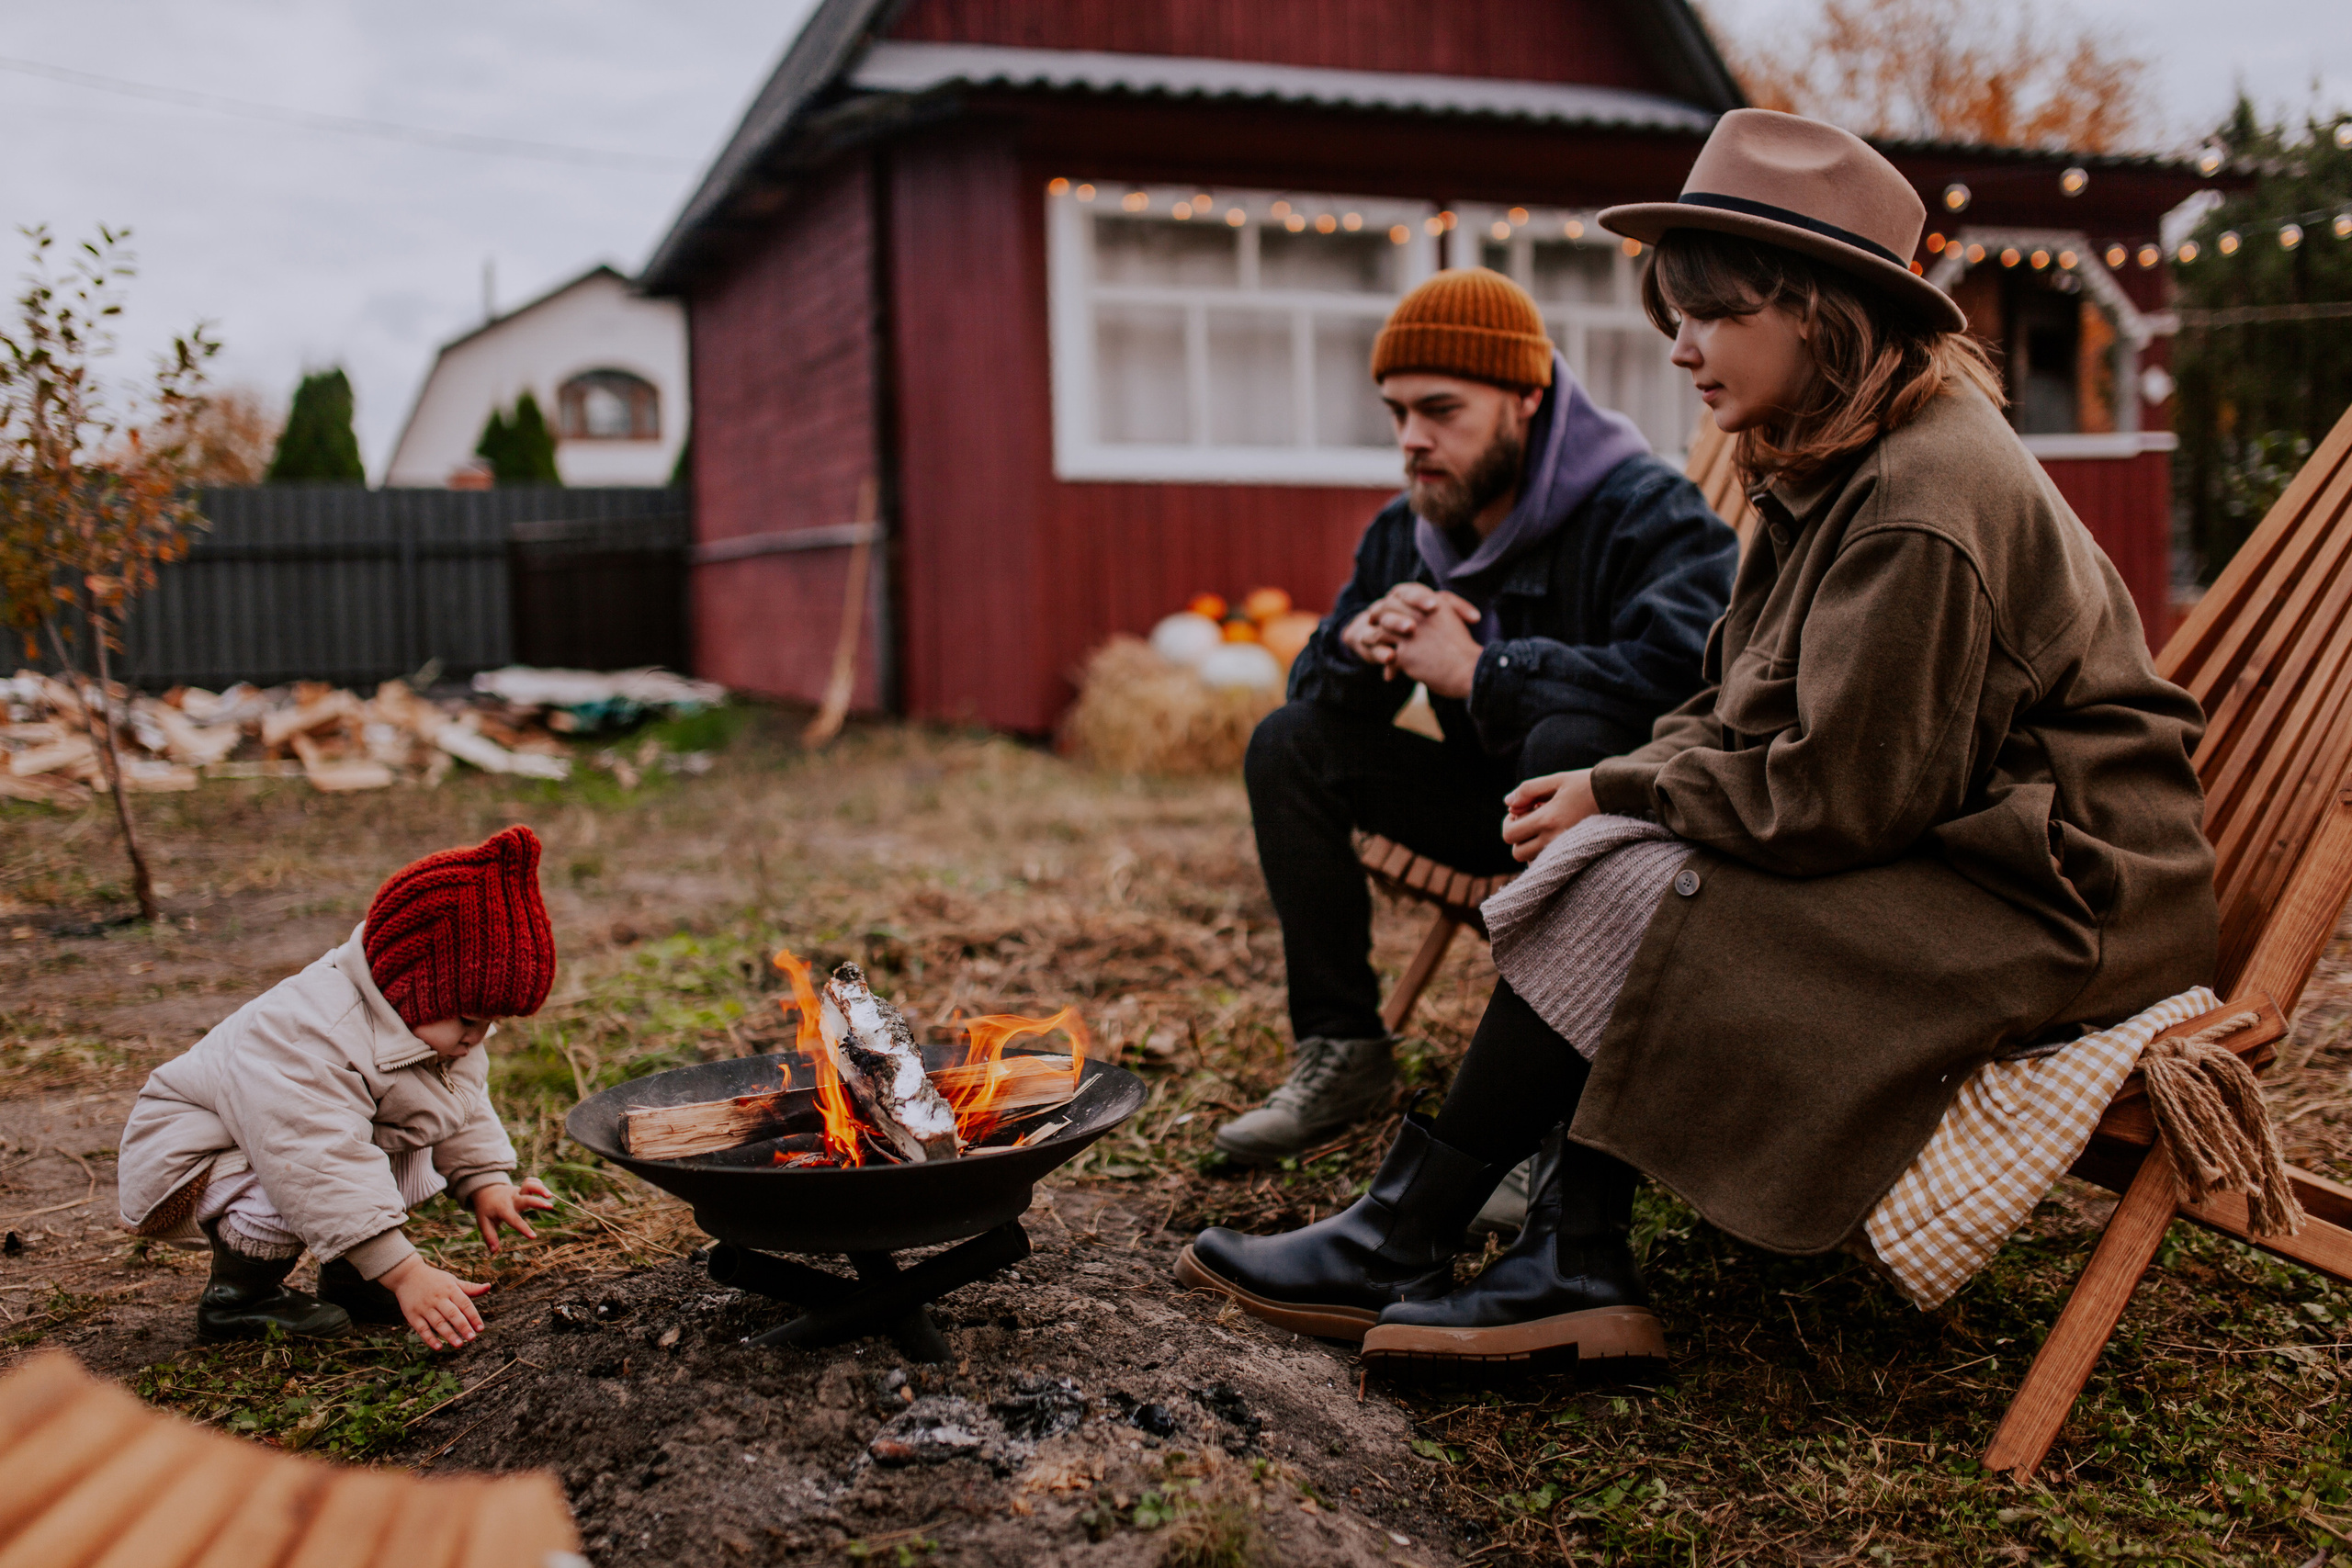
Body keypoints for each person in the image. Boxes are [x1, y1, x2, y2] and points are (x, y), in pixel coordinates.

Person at [1177, 108, 2218, 1371]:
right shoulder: (1825, 463)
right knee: (1626, 855)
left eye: (1711, 314)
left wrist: (1622, 789)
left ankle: (1449, 1239)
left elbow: (1838, 799)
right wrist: (1619, 786)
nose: (1679, 349)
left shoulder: (1919, 501)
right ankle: (1527, 1248)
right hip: (1962, 829)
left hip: (2061, 890)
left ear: (1819, 313)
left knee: (1651, 877)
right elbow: (1734, 704)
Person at [1218, 267, 1738, 1169]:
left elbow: (1688, 683)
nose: (1412, 440)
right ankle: (1343, 1051)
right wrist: (1358, 645)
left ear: (1527, 397)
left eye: (1441, 410)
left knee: (1566, 742)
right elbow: (1314, 694)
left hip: (1618, 835)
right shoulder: (1410, 527)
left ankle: (1542, 1115)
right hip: (1486, 809)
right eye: (1397, 413)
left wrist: (1480, 671)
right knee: (1288, 744)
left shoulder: (1645, 511)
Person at [119, 825, 561, 1350]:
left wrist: (486, 1181)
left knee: (400, 1128)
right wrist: (405, 1272)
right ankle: (238, 1299)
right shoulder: (311, 1032)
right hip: (192, 1160)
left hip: (284, 1138)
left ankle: (355, 1281)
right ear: (411, 988)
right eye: (470, 1019)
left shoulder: (433, 1030)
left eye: (491, 1022)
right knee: (305, 1169)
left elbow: (458, 1100)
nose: (478, 1036)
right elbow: (312, 1155)